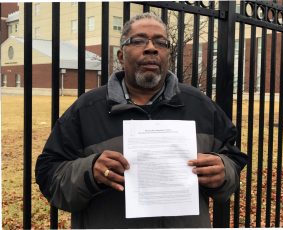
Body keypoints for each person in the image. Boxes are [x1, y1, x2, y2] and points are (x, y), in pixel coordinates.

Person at [35, 12, 247, 228]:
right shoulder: (86, 109)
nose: (151, 47)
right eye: (138, 40)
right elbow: (49, 175)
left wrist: (223, 170)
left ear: (168, 55)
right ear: (120, 56)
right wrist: (89, 172)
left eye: (161, 42)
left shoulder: (199, 105)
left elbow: (232, 158)